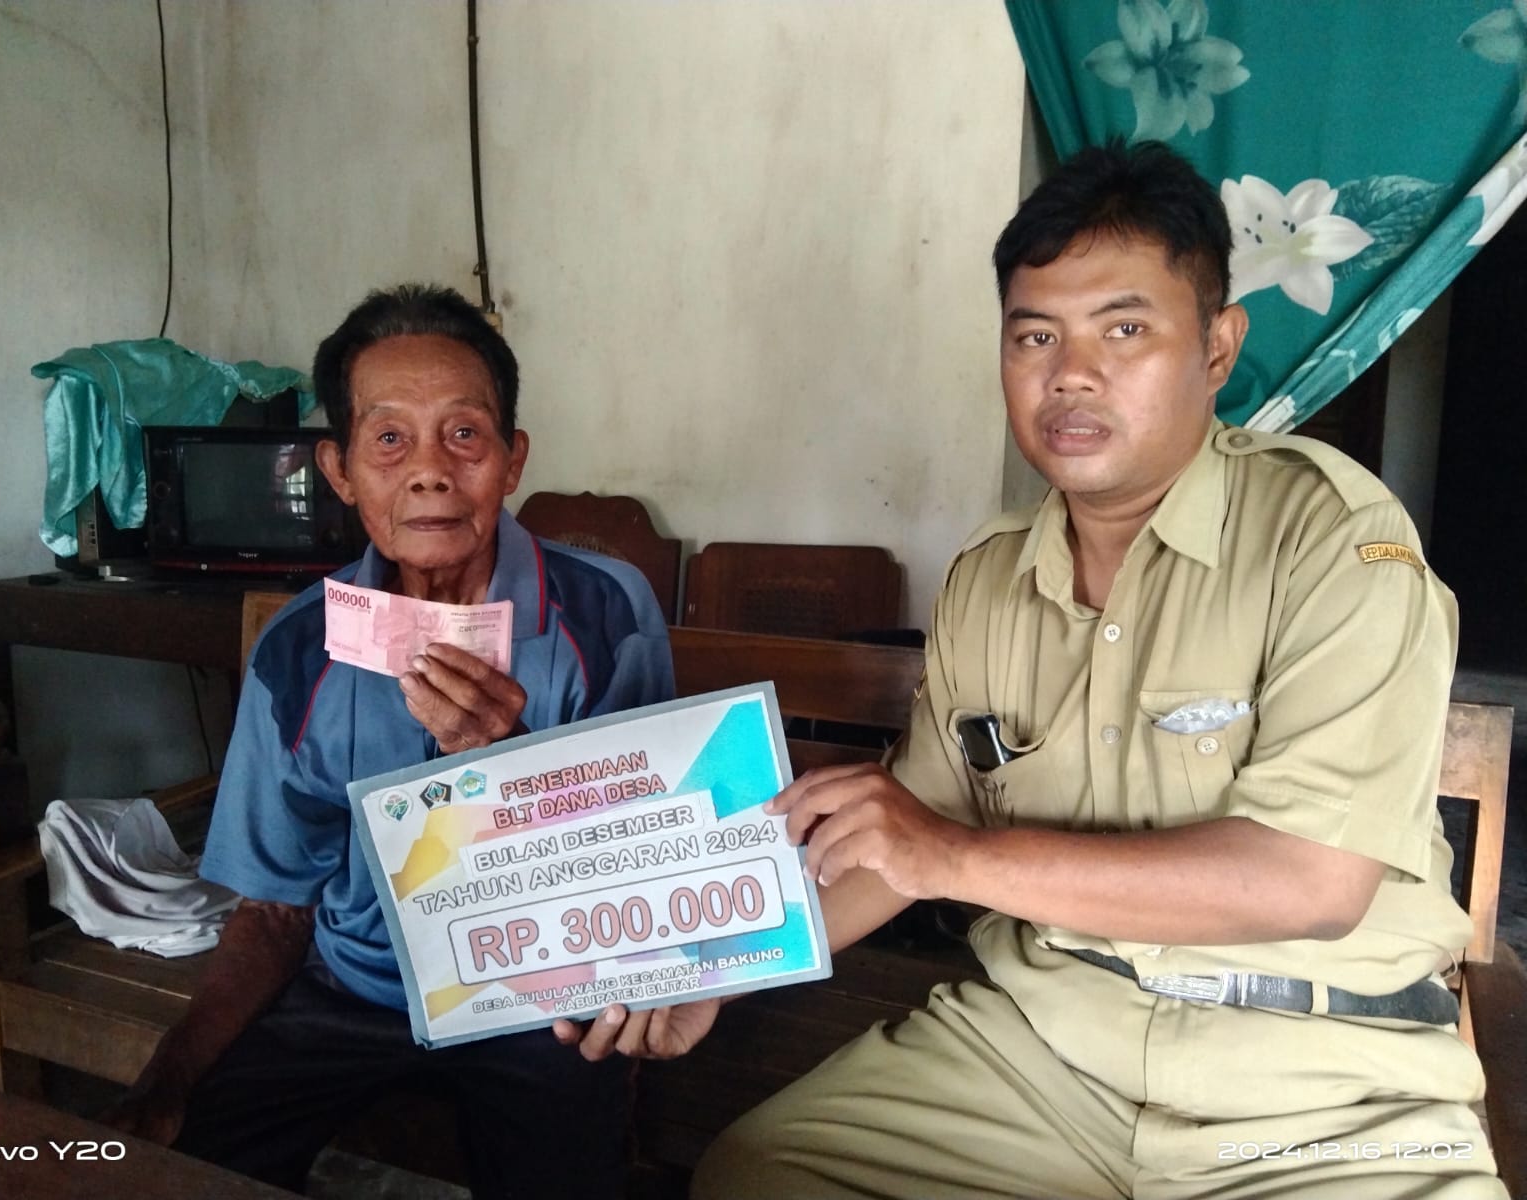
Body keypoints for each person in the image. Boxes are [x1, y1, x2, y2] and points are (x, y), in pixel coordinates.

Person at [559, 141, 1507, 1198]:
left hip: (1323, 1086)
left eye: (1125, 329)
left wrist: (953, 858)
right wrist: (717, 972)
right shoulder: (989, 575)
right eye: (1035, 335)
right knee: (765, 1176)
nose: (1071, 373)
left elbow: (1311, 881)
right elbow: (904, 831)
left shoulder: (1331, 542)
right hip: (1044, 1054)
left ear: (1217, 347)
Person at [111, 284, 674, 1198]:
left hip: (541, 1001)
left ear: (512, 459)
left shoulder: (608, 613)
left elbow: (648, 869)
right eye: (388, 439)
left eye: (464, 434)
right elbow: (276, 910)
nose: (429, 473)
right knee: (184, 1159)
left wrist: (508, 767)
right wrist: (170, 1072)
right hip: (352, 993)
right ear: (338, 471)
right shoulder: (299, 648)